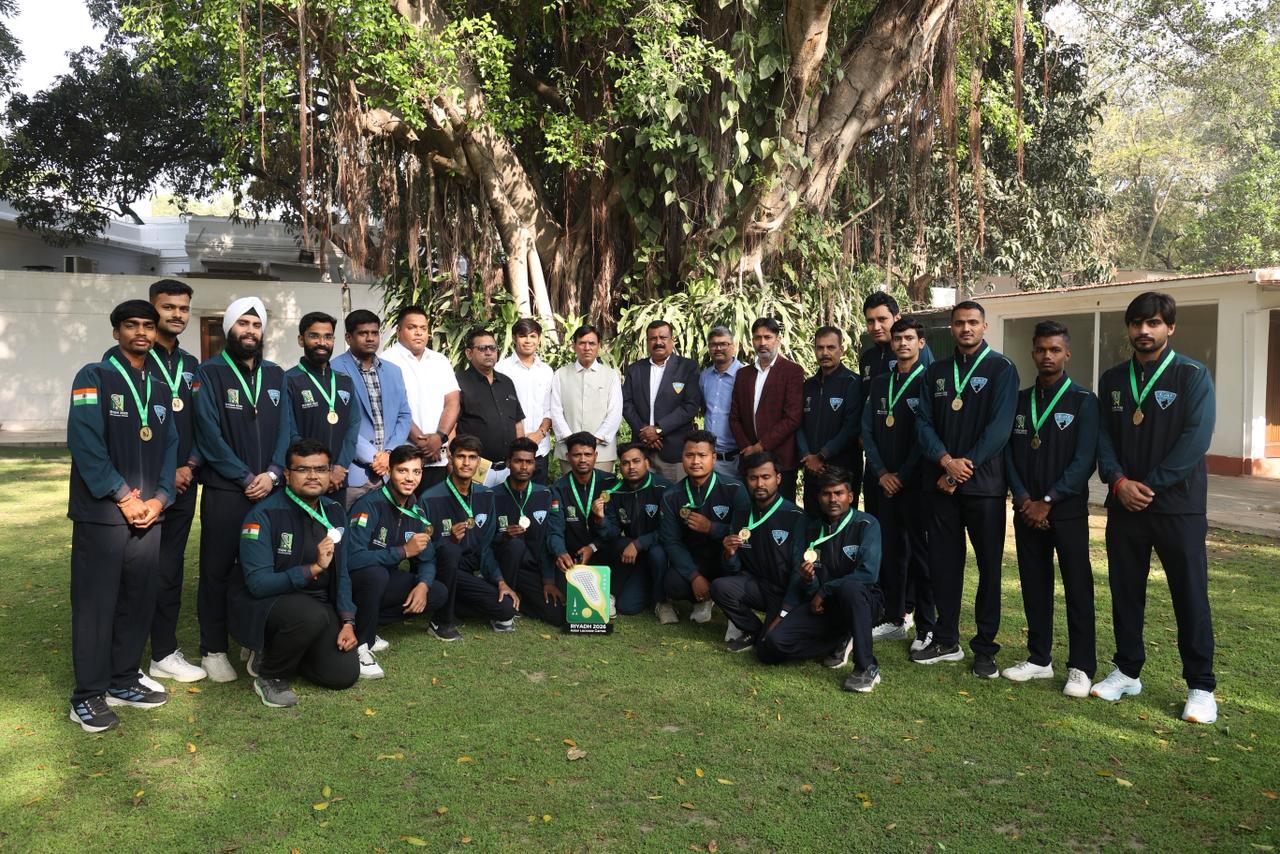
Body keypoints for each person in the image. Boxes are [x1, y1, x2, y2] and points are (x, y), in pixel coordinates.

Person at [1093, 292, 1218, 723]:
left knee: (1190, 593)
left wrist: (1149, 485)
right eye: (1137, 323)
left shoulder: (1192, 375)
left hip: (1178, 507)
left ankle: (1201, 686)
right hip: (1125, 505)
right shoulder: (1112, 379)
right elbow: (1103, 438)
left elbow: (1196, 439)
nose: (1144, 331)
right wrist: (1118, 481)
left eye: (1154, 323)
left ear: (1170, 327)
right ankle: (1127, 670)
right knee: (1126, 590)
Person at [66, 300, 177, 731]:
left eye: (148, 325)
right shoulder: (93, 376)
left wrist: (161, 499)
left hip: (149, 515)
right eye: (131, 325)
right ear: (116, 332)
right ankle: (87, 696)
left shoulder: (160, 388)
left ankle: (124, 679)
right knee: (97, 605)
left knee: (138, 600)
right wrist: (121, 496)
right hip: (104, 515)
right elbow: (85, 441)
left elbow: (170, 448)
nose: (141, 332)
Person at [912, 300, 1017, 679]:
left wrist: (958, 470)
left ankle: (985, 648)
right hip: (941, 487)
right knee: (944, 565)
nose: (966, 328)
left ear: (984, 327)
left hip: (983, 489)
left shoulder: (1002, 369)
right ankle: (946, 640)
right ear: (952, 327)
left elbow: (999, 429)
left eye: (973, 322)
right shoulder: (936, 371)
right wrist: (945, 461)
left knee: (989, 568)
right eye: (959, 323)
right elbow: (922, 423)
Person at [193, 296, 291, 683]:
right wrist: (245, 477)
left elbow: (287, 429)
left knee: (264, 569)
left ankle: (255, 642)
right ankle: (214, 649)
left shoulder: (276, 374)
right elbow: (208, 434)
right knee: (217, 571)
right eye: (243, 324)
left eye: (256, 325)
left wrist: (274, 473)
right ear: (229, 328)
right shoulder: (209, 373)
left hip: (270, 492)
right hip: (226, 492)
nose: (250, 331)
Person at [1002, 321, 1098, 697]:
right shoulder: (1019, 401)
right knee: (1034, 584)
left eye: (1055, 350)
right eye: (1041, 349)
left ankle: (1081, 667)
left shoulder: (1083, 401)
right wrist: (1023, 498)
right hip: (1026, 510)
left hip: (1066, 511)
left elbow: (1084, 459)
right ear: (1033, 353)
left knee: (1077, 587)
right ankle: (1039, 659)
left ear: (1067, 354)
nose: (1047, 356)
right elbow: (1008, 454)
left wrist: (1048, 501)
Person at [232, 439, 359, 708]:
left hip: (318, 606)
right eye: (303, 469)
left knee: (342, 675)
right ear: (288, 475)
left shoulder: (335, 511)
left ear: (329, 473)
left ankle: (284, 650)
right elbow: (257, 584)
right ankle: (271, 675)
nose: (313, 476)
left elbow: (343, 572)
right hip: (270, 603)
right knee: (308, 615)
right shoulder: (263, 514)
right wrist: (314, 568)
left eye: (320, 469)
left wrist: (348, 621)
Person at [755, 468, 884, 693]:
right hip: (823, 608)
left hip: (862, 603)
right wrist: (810, 580)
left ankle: (866, 667)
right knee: (771, 646)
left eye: (838, 493)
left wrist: (825, 590)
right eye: (826, 493)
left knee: (851, 589)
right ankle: (837, 640)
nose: (832, 499)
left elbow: (868, 574)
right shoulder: (812, 529)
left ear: (850, 496)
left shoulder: (867, 524)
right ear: (819, 497)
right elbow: (810, 587)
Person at [144, 279, 207, 684]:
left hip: (184, 484)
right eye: (168, 307)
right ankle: (125, 655)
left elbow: (203, 422)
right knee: (137, 571)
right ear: (152, 308)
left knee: (169, 569)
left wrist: (191, 464)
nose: (177, 315)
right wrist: (167, 473)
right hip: (144, 486)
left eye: (183, 308)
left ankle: (163, 652)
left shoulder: (191, 364)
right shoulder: (132, 358)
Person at [345, 444, 450, 678]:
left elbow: (427, 560)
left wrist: (423, 585)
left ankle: (365, 623)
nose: (410, 478)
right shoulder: (368, 505)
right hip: (355, 580)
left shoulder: (417, 512)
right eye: (403, 471)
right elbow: (351, 558)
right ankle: (360, 645)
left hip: (382, 581)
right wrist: (402, 551)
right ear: (389, 471)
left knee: (437, 592)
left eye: (416, 471)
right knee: (376, 574)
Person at [861, 317, 934, 651]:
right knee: (890, 551)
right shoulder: (880, 383)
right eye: (898, 339)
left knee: (921, 555)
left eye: (909, 338)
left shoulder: (929, 381)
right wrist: (881, 473)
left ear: (921, 343)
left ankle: (927, 626)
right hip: (884, 482)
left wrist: (902, 475)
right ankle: (894, 618)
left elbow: (925, 436)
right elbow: (867, 430)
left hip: (915, 484)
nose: (902, 343)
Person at [419, 434, 520, 638]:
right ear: (450, 457)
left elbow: (486, 548)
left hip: (468, 571)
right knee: (451, 550)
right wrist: (449, 540)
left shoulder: (486, 495)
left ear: (479, 461)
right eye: (461, 456)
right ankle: (441, 621)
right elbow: (422, 552)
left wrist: (500, 581)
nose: (466, 463)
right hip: (441, 569)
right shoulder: (429, 498)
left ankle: (453, 603)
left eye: (472, 457)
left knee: (507, 609)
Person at [712, 452, 808, 652]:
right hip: (756, 587)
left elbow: (798, 572)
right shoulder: (741, 514)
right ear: (746, 480)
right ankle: (753, 631)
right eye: (753, 478)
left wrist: (785, 609)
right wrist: (729, 554)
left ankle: (771, 631)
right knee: (721, 587)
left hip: (784, 593)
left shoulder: (795, 516)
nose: (759, 484)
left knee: (769, 648)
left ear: (778, 478)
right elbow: (735, 568)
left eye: (766, 477)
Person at [658, 429, 749, 624]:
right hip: (695, 560)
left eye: (702, 455)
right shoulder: (672, 495)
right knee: (673, 583)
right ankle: (702, 599)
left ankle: (731, 606)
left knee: (737, 565)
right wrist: (694, 577)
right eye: (689, 455)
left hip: (726, 559)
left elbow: (743, 534)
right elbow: (671, 541)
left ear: (713, 458)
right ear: (682, 457)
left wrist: (711, 528)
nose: (695, 461)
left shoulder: (734, 489)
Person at [331, 309, 414, 508]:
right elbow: (339, 422)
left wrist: (390, 453)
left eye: (374, 333)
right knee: (349, 525)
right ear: (348, 337)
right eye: (363, 333)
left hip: (390, 472)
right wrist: (374, 458)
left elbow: (404, 415)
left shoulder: (393, 371)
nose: (370, 338)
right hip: (354, 473)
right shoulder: (334, 370)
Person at [382, 306, 459, 491]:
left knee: (436, 507)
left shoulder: (440, 360)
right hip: (404, 459)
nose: (419, 333)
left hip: (439, 458)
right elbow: (394, 408)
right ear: (399, 330)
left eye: (423, 328)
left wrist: (439, 438)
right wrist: (424, 444)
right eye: (412, 327)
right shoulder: (386, 361)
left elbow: (452, 402)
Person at [285, 312, 360, 501]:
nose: (322, 342)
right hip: (305, 478)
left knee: (336, 521)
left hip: (338, 479)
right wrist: (320, 470)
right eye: (314, 336)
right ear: (301, 340)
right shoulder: (289, 379)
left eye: (328, 337)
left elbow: (353, 427)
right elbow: (290, 431)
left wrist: (340, 466)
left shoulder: (344, 381)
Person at [729, 317, 805, 500]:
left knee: (781, 513)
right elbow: (734, 417)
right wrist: (747, 448)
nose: (762, 343)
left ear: (778, 340)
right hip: (749, 461)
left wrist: (760, 446)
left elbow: (793, 418)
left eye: (768, 337)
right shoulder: (743, 374)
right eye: (757, 338)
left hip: (780, 461)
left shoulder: (792, 371)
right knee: (748, 510)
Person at [491, 438, 563, 625]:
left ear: (534, 464)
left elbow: (549, 537)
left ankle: (521, 600)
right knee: (514, 545)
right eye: (518, 461)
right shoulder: (491, 496)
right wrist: (504, 536)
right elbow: (484, 542)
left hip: (533, 569)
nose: (524, 467)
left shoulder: (545, 494)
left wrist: (548, 580)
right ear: (508, 462)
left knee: (556, 614)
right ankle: (505, 601)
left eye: (529, 462)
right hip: (504, 567)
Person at [622, 320, 704, 482]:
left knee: (674, 496)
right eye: (653, 338)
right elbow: (626, 403)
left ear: (672, 340)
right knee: (643, 495)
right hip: (641, 450)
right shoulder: (635, 369)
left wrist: (659, 430)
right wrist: (645, 433)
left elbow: (690, 406)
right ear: (647, 342)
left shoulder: (687, 367)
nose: (658, 342)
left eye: (663, 337)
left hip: (674, 451)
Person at [548, 432, 619, 614]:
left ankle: (609, 592)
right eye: (577, 455)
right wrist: (560, 552)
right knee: (564, 600)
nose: (582, 459)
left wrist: (598, 525)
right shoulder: (558, 488)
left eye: (587, 454)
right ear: (567, 457)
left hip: (602, 550)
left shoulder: (610, 483)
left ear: (596, 456)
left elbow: (614, 531)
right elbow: (555, 529)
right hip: (573, 556)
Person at [797, 325, 863, 514]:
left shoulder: (853, 383)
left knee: (842, 525)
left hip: (842, 471)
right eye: (820, 347)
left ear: (841, 350)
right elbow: (798, 424)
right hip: (812, 471)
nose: (825, 353)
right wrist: (807, 456)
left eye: (831, 347)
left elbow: (851, 428)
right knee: (812, 523)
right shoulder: (808, 385)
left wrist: (821, 456)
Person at [455, 328, 526, 487]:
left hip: (508, 468)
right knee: (477, 503)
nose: (488, 352)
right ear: (469, 353)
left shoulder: (506, 382)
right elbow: (452, 426)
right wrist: (452, 461)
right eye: (482, 348)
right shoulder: (459, 382)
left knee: (508, 504)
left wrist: (520, 457)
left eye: (492, 348)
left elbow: (517, 423)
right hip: (475, 469)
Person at [550, 324, 623, 473]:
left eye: (592, 343)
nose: (587, 348)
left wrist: (595, 441)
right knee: (570, 487)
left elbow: (615, 413)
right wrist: (572, 442)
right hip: (569, 452)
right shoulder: (560, 374)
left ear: (599, 346)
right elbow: (555, 411)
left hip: (602, 452)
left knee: (601, 487)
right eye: (582, 343)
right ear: (574, 346)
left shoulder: (611, 375)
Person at [497, 318, 555, 484]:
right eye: (523, 336)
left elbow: (550, 408)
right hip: (510, 449)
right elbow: (498, 408)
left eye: (532, 336)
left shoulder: (546, 371)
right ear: (514, 338)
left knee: (537, 495)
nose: (528, 340)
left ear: (539, 339)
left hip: (540, 448)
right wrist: (518, 436)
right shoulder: (501, 369)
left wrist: (539, 434)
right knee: (507, 496)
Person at [859, 291, 934, 382]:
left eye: (882, 319)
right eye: (870, 321)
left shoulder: (914, 350)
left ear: (897, 318)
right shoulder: (867, 358)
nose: (876, 327)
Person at [699, 325, 743, 478]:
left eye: (723, 344)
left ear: (733, 346)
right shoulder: (705, 376)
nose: (718, 348)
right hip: (709, 457)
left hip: (736, 459)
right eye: (713, 344)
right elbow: (705, 409)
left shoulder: (744, 375)